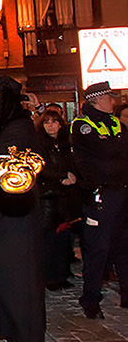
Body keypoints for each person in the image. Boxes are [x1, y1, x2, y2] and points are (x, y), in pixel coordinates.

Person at [0, 75, 46, 342]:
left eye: (0, 97)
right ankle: (2, 325)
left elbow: (4, 160)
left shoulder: (21, 125)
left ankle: (23, 331)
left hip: (18, 214)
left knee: (19, 276)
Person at [70, 81, 128, 319]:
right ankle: (91, 300)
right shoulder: (82, 125)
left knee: (124, 246)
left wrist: (114, 149)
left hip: (121, 192)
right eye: (109, 98)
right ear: (98, 99)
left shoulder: (115, 122)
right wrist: (114, 149)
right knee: (98, 249)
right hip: (100, 194)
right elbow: (104, 153)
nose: (113, 101)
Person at [35, 108, 80, 291]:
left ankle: (61, 274)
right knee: (49, 240)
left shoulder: (65, 143)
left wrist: (73, 176)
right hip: (48, 197)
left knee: (63, 239)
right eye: (47, 122)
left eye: (54, 122)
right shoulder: (39, 144)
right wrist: (61, 175)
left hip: (65, 197)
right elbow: (41, 168)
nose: (51, 126)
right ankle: (50, 277)